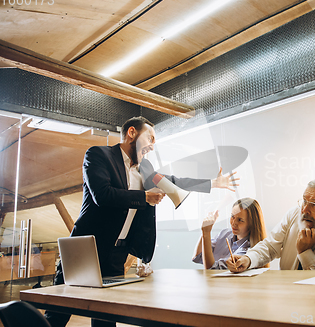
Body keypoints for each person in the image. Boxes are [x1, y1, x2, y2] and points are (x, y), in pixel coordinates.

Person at [45, 116, 238, 327]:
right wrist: (144, 198)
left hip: (116, 253)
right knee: (60, 312)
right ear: (131, 133)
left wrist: (212, 183)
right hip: (85, 249)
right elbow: (103, 195)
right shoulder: (98, 155)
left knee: (106, 317)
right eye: (150, 138)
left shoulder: (145, 170)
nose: (152, 146)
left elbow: (173, 181)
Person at [227, 178, 315, 272]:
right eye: (304, 201)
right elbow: (270, 247)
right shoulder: (294, 214)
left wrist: (305, 252)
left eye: (314, 205)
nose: (305, 210)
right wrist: (247, 259)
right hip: (284, 294)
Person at [192, 198, 267, 269]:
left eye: (240, 220)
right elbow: (198, 256)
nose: (234, 223)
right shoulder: (225, 234)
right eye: (232, 216)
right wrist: (204, 232)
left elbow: (212, 269)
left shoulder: (249, 250)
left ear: (251, 224)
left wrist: (206, 232)